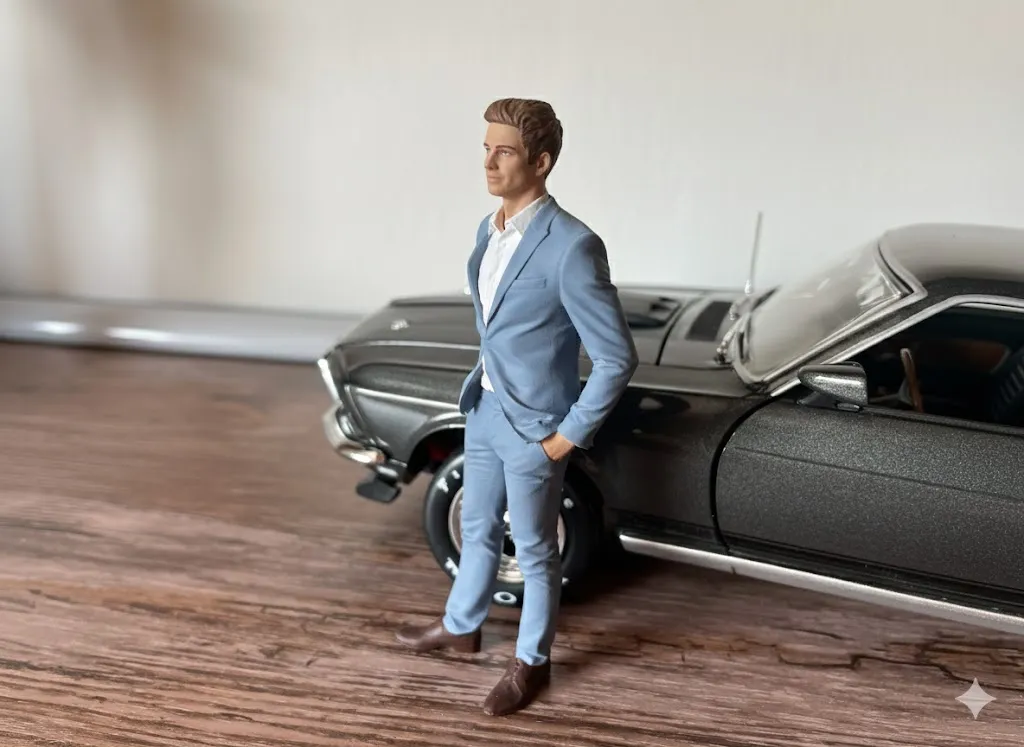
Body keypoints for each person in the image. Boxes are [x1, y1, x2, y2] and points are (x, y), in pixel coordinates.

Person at [395, 97, 639, 716]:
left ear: (542, 161)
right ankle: (462, 625)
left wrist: (565, 437)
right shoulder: (490, 230)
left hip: (536, 430)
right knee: (477, 526)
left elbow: (616, 357)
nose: (488, 163)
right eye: (486, 149)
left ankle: (532, 661)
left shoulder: (572, 246)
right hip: (484, 411)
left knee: (533, 550)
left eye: (503, 152)